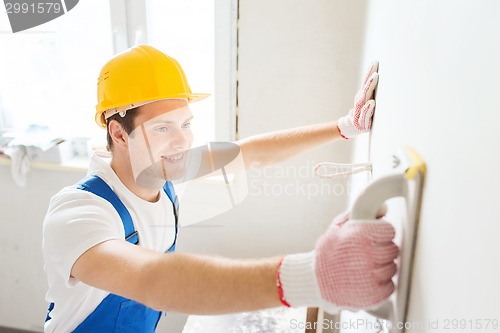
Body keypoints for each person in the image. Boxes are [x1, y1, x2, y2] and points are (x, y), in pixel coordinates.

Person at [42, 45, 398, 332]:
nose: (182, 140)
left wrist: (344, 127)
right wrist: (311, 276)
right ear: (119, 133)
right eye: (163, 128)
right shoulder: (80, 212)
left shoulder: (162, 174)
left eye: (186, 123)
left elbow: (250, 153)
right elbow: (152, 280)